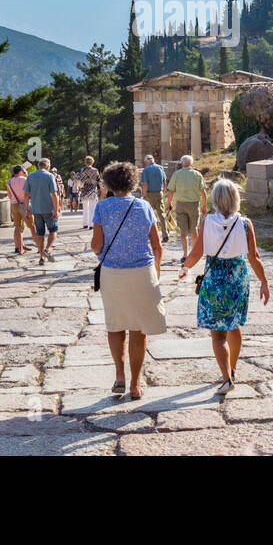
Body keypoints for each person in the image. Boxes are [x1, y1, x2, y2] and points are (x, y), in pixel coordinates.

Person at [178, 178, 269, 394]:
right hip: (238, 278)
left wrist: (184, 268)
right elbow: (254, 257)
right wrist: (264, 282)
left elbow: (196, 253)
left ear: (215, 200)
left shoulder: (208, 222)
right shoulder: (245, 224)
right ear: (236, 199)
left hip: (215, 279)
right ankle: (233, 368)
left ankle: (227, 377)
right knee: (234, 325)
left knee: (218, 333)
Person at [91, 160, 165, 399]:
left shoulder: (102, 208)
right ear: (133, 182)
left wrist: (106, 253)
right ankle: (135, 384)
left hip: (113, 273)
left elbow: (96, 245)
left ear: (109, 184)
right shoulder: (143, 207)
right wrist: (157, 271)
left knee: (115, 325)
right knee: (138, 328)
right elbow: (156, 245)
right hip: (142, 271)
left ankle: (119, 377)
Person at [165, 154, 205, 263]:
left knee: (183, 232)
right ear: (192, 164)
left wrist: (169, 203)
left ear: (182, 163)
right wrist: (204, 205)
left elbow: (171, 191)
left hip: (181, 205)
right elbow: (203, 192)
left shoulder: (176, 174)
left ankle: (185, 254)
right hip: (193, 205)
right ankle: (194, 253)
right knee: (193, 230)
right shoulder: (197, 174)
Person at [25, 158, 62, 265]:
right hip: (48, 209)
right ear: (48, 166)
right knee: (53, 230)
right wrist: (56, 209)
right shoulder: (50, 176)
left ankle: (41, 257)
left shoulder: (30, 176)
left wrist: (27, 210)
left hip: (36, 209)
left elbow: (26, 195)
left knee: (40, 234)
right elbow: (54, 194)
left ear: (38, 166)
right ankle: (47, 249)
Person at [5, 164, 34, 256]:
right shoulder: (24, 179)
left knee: (17, 228)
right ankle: (39, 246)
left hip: (14, 205)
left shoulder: (9, 181)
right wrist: (26, 174)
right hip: (23, 205)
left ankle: (19, 247)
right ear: (20, 171)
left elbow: (9, 196)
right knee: (32, 226)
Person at [139, 154, 169, 242]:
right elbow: (164, 181)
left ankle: (149, 235)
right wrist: (163, 192)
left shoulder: (146, 170)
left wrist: (144, 195)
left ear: (147, 161)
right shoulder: (160, 168)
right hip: (159, 193)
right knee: (161, 214)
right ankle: (165, 234)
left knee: (148, 215)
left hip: (149, 194)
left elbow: (145, 184)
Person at [76, 155, 102, 229]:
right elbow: (98, 180)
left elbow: (76, 179)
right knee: (92, 208)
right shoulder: (95, 170)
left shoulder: (82, 170)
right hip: (93, 191)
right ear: (92, 162)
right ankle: (91, 225)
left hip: (84, 190)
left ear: (85, 162)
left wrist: (80, 185)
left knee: (85, 208)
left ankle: (85, 223)